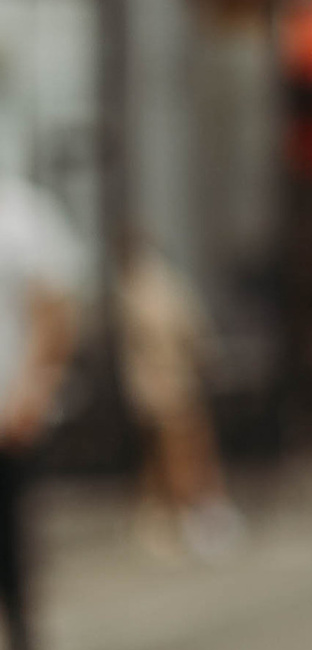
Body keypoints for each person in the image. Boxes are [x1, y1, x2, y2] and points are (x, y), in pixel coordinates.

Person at [0, 165, 81, 650]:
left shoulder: (20, 212)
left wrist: (32, 392)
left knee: (11, 556)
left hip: (9, 418)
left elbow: (56, 308)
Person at [116, 238, 240, 560]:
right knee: (174, 454)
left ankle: (180, 518)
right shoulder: (162, 286)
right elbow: (192, 332)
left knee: (173, 454)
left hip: (160, 385)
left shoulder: (139, 289)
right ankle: (182, 518)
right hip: (171, 383)